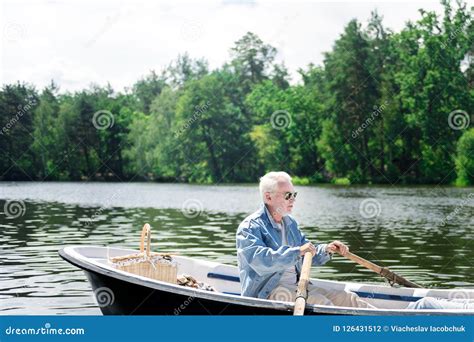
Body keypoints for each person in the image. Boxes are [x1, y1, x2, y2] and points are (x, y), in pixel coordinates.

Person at [236, 171, 375, 308]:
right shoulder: (249, 227)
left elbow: (307, 252)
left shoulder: (290, 223)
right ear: (268, 197)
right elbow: (260, 260)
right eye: (287, 195)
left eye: (294, 194)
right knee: (321, 303)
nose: (293, 199)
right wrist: (297, 252)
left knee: (349, 298)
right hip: (267, 292)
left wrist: (327, 249)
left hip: (298, 286)